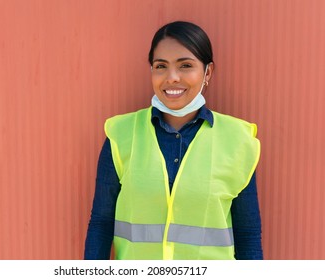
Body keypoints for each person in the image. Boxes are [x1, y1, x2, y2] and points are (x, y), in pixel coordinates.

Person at [84, 21, 263, 260]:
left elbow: (247, 234)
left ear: (207, 72)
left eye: (186, 65)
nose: (172, 77)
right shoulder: (122, 134)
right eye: (161, 66)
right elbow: (101, 224)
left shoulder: (237, 140)